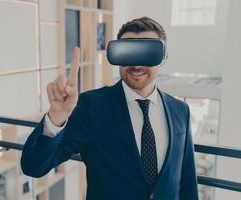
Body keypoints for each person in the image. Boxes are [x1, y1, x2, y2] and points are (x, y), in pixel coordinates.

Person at [21, 17, 199, 200]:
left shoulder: (180, 111)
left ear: (163, 57)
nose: (136, 65)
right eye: (127, 52)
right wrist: (56, 117)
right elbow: (34, 166)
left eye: (147, 53)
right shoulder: (91, 106)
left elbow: (187, 183)